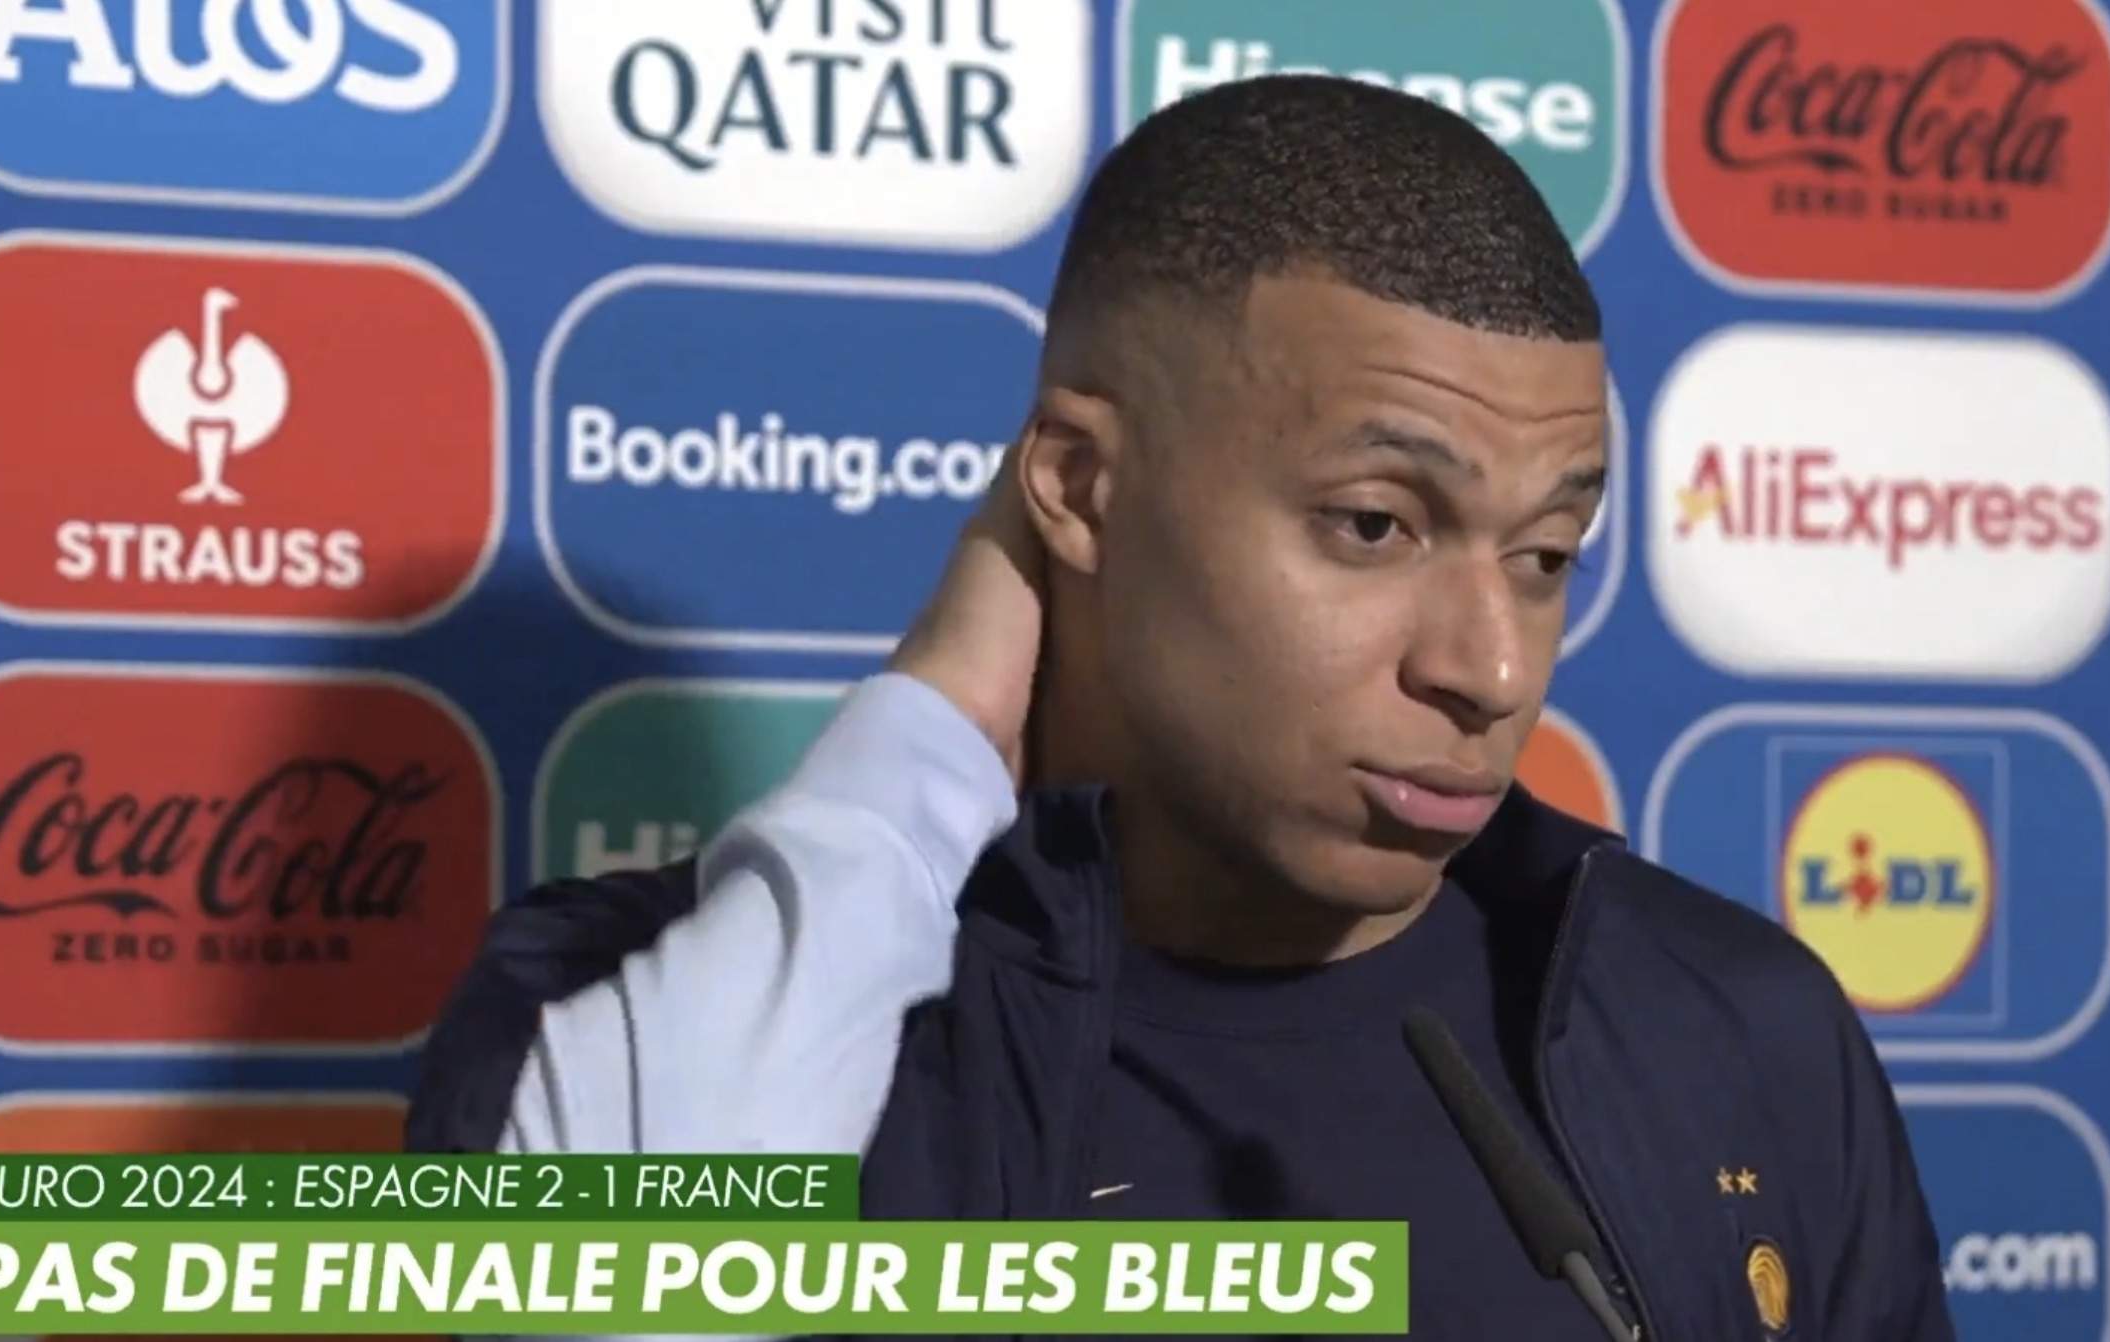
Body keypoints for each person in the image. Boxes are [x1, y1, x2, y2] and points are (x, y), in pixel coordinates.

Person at [408, 74, 1956, 1341]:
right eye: (1374, 524)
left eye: (1545, 553)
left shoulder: (1735, 1024)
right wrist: (933, 725)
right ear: (1080, 487)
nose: (1490, 668)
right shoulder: (600, 1010)